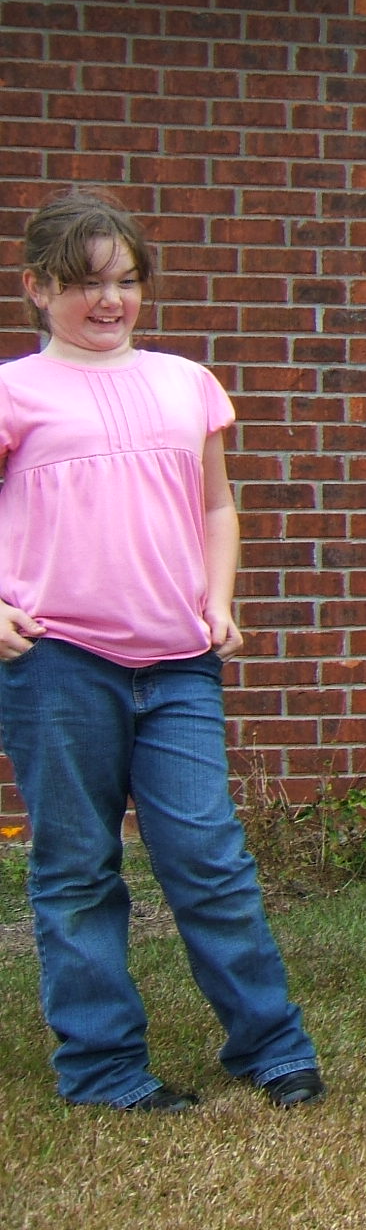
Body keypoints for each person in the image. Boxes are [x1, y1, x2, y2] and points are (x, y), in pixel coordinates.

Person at [0, 188, 323, 1111]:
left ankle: (270, 1047)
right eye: (84, 282)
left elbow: (216, 506)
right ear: (36, 287)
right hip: (57, 662)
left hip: (179, 665)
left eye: (126, 280)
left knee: (209, 859)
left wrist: (217, 601)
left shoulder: (186, 382)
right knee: (77, 871)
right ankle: (102, 1068)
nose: (109, 301)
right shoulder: (14, 391)